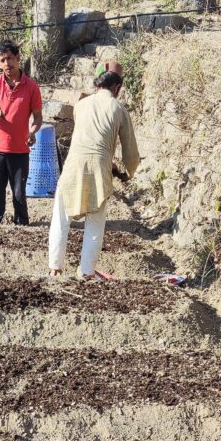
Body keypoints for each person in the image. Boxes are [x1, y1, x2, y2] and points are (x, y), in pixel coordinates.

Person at [48, 60, 140, 280]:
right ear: (117, 88)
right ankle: (87, 272)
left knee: (61, 218)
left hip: (72, 167)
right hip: (99, 169)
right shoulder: (119, 109)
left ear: (97, 84)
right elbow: (131, 153)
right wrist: (127, 172)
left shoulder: (80, 106)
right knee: (95, 222)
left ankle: (54, 268)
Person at [0, 40, 43, 226]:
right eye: (2, 60)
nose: (6, 63)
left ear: (18, 58)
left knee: (19, 193)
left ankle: (22, 223)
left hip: (20, 150)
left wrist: (32, 132)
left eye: (10, 58)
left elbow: (38, 117)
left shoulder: (31, 87)